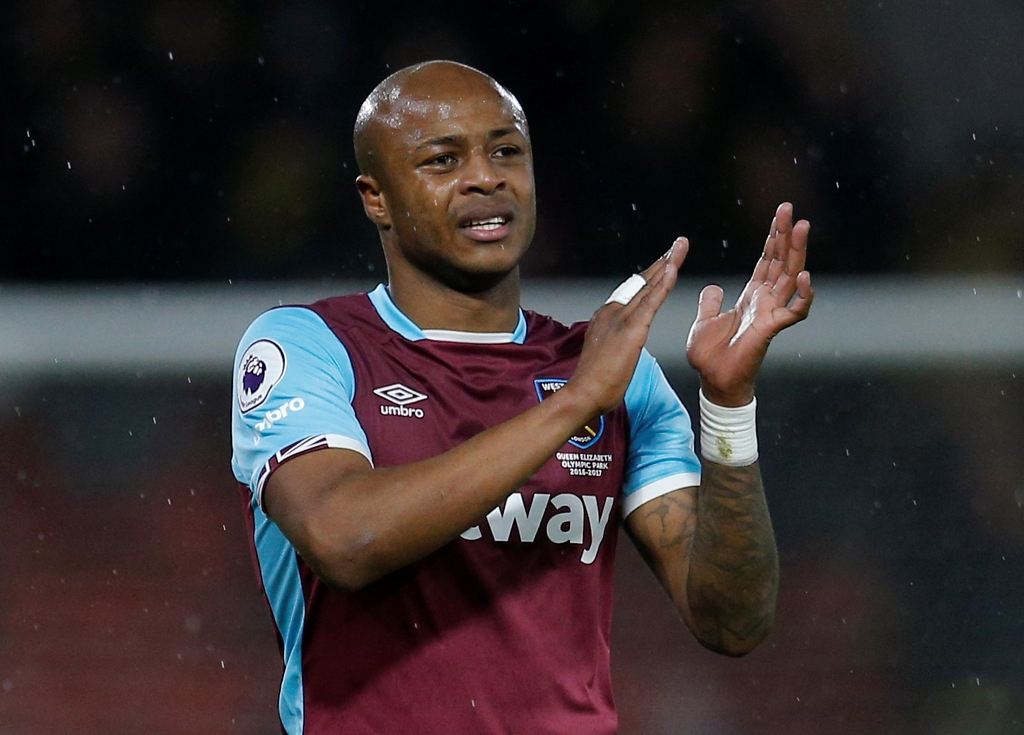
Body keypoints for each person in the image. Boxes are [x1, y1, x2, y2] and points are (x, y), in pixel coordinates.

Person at [230, 60, 813, 735]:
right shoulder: (307, 345)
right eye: (443, 159)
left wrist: (728, 404)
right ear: (376, 196)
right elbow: (344, 536)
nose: (486, 176)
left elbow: (732, 621)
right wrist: (571, 405)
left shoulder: (614, 374)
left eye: (506, 150)